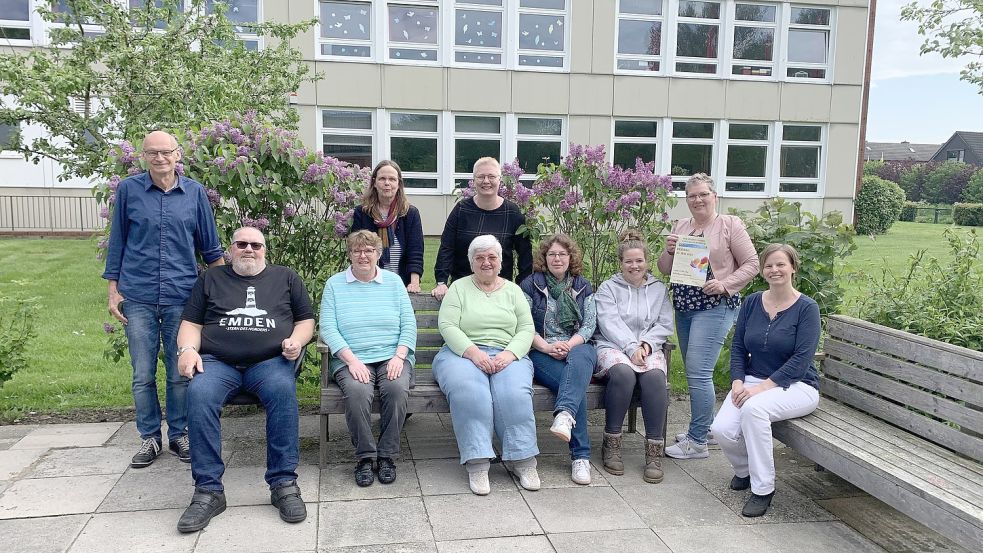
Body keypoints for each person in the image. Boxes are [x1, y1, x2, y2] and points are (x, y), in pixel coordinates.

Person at [174, 227, 315, 532]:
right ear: (231, 249)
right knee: (199, 393)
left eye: (256, 245)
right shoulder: (211, 279)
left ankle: (283, 484)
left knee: (282, 389)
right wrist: (186, 350)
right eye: (242, 244)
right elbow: (191, 322)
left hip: (269, 362)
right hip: (217, 362)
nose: (249, 249)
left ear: (266, 250)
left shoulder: (286, 278)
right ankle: (208, 491)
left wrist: (296, 341)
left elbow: (306, 320)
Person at [102, 130, 224, 469]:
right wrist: (113, 289)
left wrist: (225, 289)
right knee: (142, 372)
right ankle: (149, 437)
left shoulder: (195, 193)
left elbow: (210, 247)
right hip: (137, 294)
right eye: (152, 153)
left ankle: (179, 435)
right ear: (144, 156)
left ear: (177, 154)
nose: (159, 158)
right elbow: (118, 243)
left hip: (181, 295)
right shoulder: (129, 190)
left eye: (165, 152)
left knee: (179, 370)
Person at [710, 244, 821, 517]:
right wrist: (738, 382)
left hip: (797, 385)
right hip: (751, 379)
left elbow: (801, 360)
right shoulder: (751, 302)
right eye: (769, 265)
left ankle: (763, 489)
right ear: (762, 270)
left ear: (793, 267)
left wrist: (760, 388)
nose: (775, 270)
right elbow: (737, 347)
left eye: (781, 264)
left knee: (754, 410)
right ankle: (745, 470)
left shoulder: (807, 308)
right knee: (722, 429)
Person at [658, 173, 758, 461]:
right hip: (686, 306)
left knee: (698, 372)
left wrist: (726, 284)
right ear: (686, 200)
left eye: (703, 194)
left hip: (716, 305)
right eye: (692, 195)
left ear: (715, 196)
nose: (698, 200)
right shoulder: (682, 226)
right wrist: (668, 250)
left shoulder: (729, 225)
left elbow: (752, 263)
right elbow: (665, 268)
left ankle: (698, 440)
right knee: (694, 372)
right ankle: (706, 427)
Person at [433, 235, 539, 495]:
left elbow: (526, 328)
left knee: (513, 393)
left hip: (507, 354)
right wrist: (473, 352)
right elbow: (447, 325)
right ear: (471, 263)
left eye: (492, 257)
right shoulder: (458, 288)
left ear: (501, 262)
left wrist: (510, 354)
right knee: (472, 392)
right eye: (479, 258)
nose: (486, 262)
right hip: (461, 353)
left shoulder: (513, 291)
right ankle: (478, 462)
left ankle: (522, 460)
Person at [319, 230, 416, 487]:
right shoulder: (334, 284)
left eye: (369, 250)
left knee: (396, 388)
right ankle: (364, 457)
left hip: (391, 356)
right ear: (349, 254)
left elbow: (408, 325)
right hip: (351, 357)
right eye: (357, 251)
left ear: (378, 254)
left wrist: (399, 356)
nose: (363, 255)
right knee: (358, 391)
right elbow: (328, 328)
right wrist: (351, 361)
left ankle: (386, 456)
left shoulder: (394, 283)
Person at [594, 230, 674, 484]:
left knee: (654, 378)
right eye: (628, 261)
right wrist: (630, 347)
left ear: (647, 262)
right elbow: (609, 322)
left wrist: (648, 346)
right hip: (614, 345)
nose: (634, 266)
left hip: (647, 347)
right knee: (623, 374)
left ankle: (653, 451)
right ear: (621, 263)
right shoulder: (609, 288)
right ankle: (612, 443)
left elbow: (664, 323)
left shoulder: (658, 289)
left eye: (639, 261)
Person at [519, 234, 597, 485]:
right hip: (541, 351)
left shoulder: (583, 286)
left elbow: (588, 326)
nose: (557, 258)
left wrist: (569, 344)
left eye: (562, 254)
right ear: (544, 258)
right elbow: (523, 325)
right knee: (574, 383)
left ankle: (564, 415)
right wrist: (547, 346)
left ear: (571, 257)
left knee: (582, 359)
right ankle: (581, 457)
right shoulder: (530, 285)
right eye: (552, 254)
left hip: (577, 347)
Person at [431, 157, 533, 300]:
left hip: (500, 291)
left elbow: (525, 255)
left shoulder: (513, 213)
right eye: (481, 176)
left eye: (491, 176)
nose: (486, 181)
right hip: (463, 288)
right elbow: (446, 248)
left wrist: (522, 285)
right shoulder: (461, 210)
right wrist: (441, 282)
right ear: (474, 180)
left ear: (500, 180)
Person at [350, 160, 425, 293]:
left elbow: (415, 252)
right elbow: (357, 250)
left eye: (392, 179)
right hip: (369, 283)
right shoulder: (362, 213)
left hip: (402, 283)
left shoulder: (410, 214)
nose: (387, 183)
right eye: (382, 178)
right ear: (374, 182)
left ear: (399, 184)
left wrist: (414, 283)